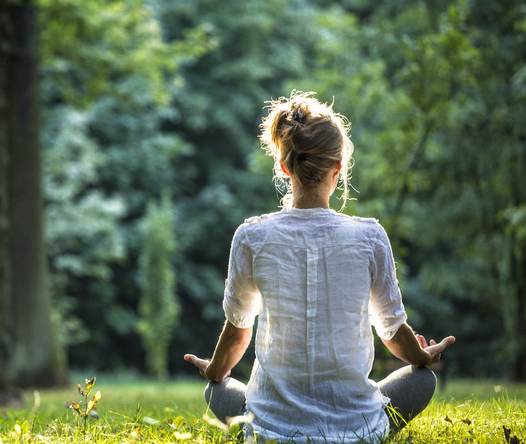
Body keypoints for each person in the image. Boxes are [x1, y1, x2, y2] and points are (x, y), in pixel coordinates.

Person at [184, 91, 455, 443]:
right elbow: (391, 331)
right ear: (338, 167)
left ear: (284, 167)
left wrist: (215, 371)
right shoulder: (369, 236)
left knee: (215, 391)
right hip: (357, 431)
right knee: (422, 379)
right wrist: (421, 354)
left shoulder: (252, 236)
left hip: (271, 432)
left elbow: (238, 333)